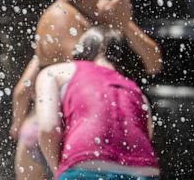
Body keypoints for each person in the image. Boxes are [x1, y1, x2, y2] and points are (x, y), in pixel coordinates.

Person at [10, 0, 161, 180]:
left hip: (87, 136)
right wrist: (17, 123)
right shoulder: (60, 18)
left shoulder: (106, 12)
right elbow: (89, 79)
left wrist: (125, 24)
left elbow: (154, 63)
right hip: (48, 136)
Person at [35, 27, 160, 180]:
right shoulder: (136, 91)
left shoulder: (56, 73)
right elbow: (146, 135)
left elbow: (49, 129)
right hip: (145, 171)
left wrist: (60, 171)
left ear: (81, 50)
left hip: (86, 167)